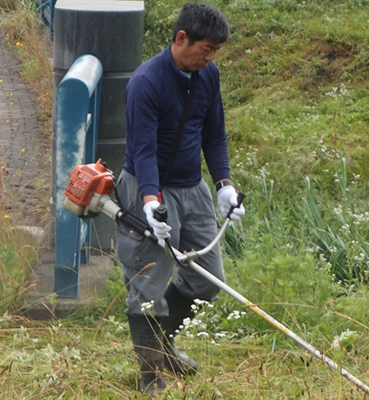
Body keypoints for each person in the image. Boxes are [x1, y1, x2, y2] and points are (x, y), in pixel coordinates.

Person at [117, 2, 245, 394]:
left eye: (214, 53)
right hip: (146, 185)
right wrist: (151, 201)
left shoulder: (208, 76)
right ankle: (150, 374)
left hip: (194, 189)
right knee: (147, 287)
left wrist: (223, 184)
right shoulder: (146, 83)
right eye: (205, 50)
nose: (209, 59)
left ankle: (162, 346)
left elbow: (214, 133)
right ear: (181, 39)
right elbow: (143, 150)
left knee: (208, 279)